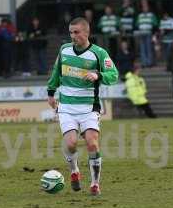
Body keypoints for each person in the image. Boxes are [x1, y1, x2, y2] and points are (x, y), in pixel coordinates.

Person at [47, 17, 119, 196]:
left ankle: (95, 183)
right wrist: (51, 92)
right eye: (71, 32)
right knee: (71, 144)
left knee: (92, 144)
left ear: (86, 33)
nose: (73, 36)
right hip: (67, 107)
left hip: (89, 107)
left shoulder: (99, 53)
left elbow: (114, 74)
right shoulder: (64, 50)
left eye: (76, 32)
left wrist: (98, 75)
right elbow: (56, 72)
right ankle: (74, 171)